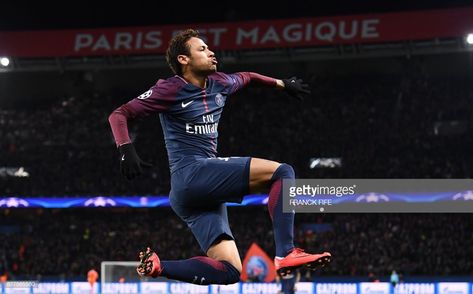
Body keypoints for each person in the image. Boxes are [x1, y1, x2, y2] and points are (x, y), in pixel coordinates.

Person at [108, 29, 331, 285]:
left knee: (230, 271)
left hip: (192, 194)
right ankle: (286, 252)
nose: (211, 52)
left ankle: (159, 266)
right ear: (184, 60)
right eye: (202, 49)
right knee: (283, 172)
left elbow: (248, 77)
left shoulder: (221, 83)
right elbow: (119, 114)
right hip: (192, 174)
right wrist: (126, 149)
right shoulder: (169, 89)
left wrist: (281, 84)